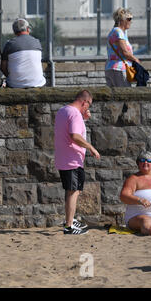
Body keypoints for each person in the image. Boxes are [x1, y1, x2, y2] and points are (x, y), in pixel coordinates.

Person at [54, 90, 101, 235]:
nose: (89, 108)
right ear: (84, 102)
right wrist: (91, 147)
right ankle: (69, 226)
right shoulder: (74, 113)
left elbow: (69, 128)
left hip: (66, 158)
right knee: (73, 191)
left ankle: (70, 219)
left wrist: (83, 118)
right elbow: (74, 135)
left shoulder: (63, 110)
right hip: (72, 159)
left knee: (75, 189)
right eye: (89, 105)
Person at [120, 151, 151, 236]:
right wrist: (140, 200)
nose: (146, 162)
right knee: (145, 220)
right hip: (138, 216)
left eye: (149, 160)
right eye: (142, 160)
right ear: (138, 164)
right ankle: (150, 229)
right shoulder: (133, 179)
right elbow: (123, 196)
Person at [1, 18, 46, 88]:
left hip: (15, 85)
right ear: (28, 29)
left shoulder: (10, 44)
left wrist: (12, 77)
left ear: (14, 32)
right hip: (37, 83)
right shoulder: (37, 42)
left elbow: (3, 67)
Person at [105, 8, 140, 87]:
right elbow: (125, 52)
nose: (131, 22)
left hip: (112, 67)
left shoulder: (116, 31)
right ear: (122, 20)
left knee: (115, 97)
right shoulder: (118, 32)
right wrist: (136, 60)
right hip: (119, 68)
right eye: (129, 19)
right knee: (125, 96)